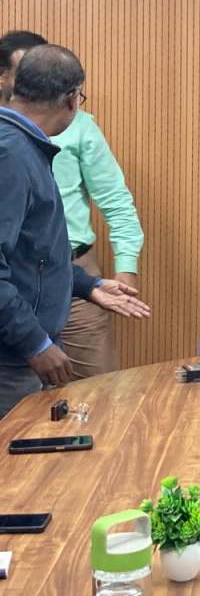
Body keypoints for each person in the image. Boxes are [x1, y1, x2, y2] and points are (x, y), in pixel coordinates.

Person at [0, 44, 150, 419]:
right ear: (71, 99)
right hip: (13, 354)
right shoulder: (11, 154)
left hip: (32, 329)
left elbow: (31, 253)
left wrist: (88, 284)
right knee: (19, 449)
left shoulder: (25, 144)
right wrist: (35, 343)